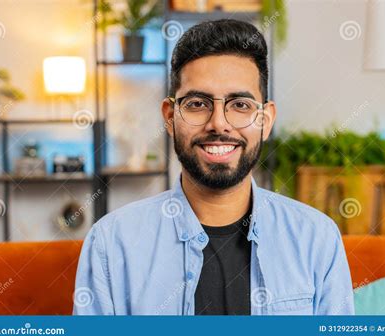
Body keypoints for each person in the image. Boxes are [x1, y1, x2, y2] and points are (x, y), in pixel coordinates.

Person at [73, 19, 354, 315]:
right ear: (170, 117)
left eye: (240, 105)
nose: (218, 123)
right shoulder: (112, 243)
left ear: (266, 120)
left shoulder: (316, 238)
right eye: (197, 103)